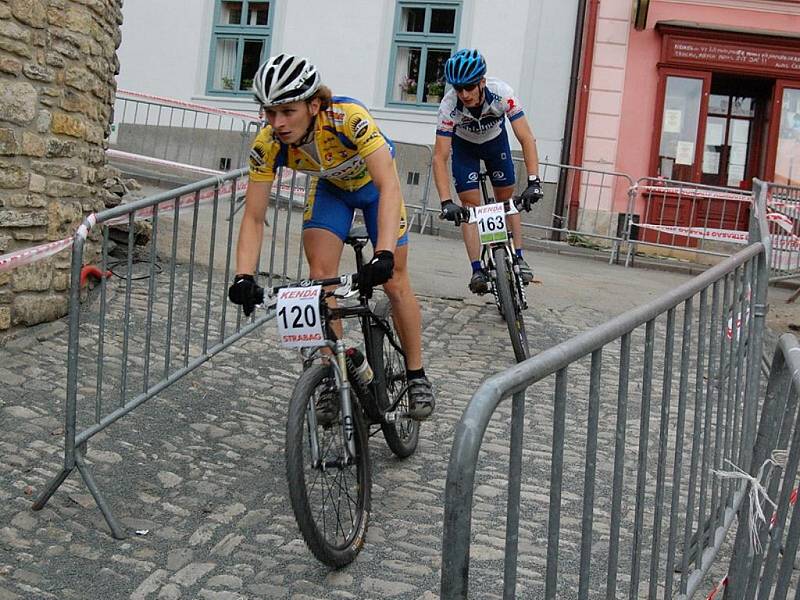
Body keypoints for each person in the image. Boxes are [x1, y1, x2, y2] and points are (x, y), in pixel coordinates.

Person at [227, 53, 434, 420]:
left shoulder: (348, 118)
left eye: (287, 111)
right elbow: (255, 216)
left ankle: (416, 375)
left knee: (396, 280)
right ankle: (330, 375)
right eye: (269, 112)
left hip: (374, 190)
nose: (277, 123)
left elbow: (388, 187)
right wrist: (244, 275)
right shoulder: (267, 144)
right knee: (322, 280)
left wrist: (383, 253)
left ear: (314, 103)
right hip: (331, 191)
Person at [433, 48, 544, 293]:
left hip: (496, 143)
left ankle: (519, 256)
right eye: (458, 88)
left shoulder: (502, 93)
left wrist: (535, 180)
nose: (464, 94)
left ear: (482, 82)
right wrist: (445, 202)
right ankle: (477, 270)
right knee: (470, 207)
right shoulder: (449, 106)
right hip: (465, 149)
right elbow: (440, 157)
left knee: (507, 200)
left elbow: (526, 137)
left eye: (470, 87)